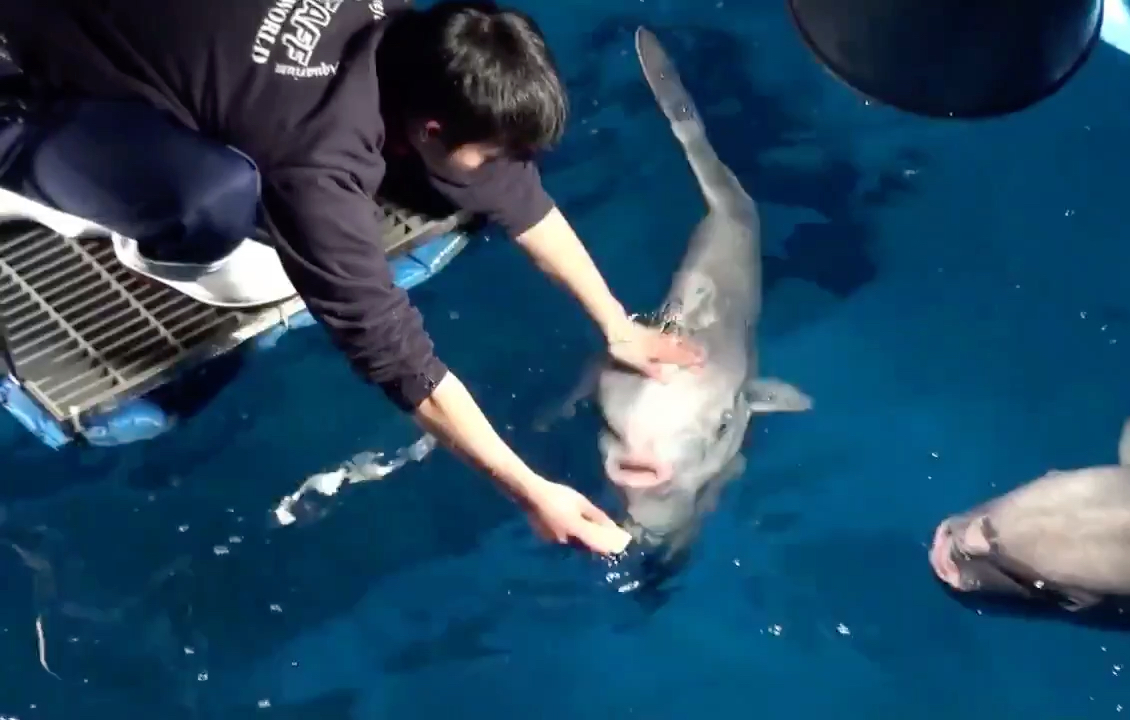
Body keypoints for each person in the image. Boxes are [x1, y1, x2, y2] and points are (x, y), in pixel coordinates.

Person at [0, 0, 703, 554]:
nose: (499, 171)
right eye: (485, 154)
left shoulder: (407, 29)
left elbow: (513, 192)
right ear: (427, 128)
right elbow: (392, 351)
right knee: (214, 199)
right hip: (39, 40)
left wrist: (616, 323)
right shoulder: (315, 167)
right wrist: (531, 490)